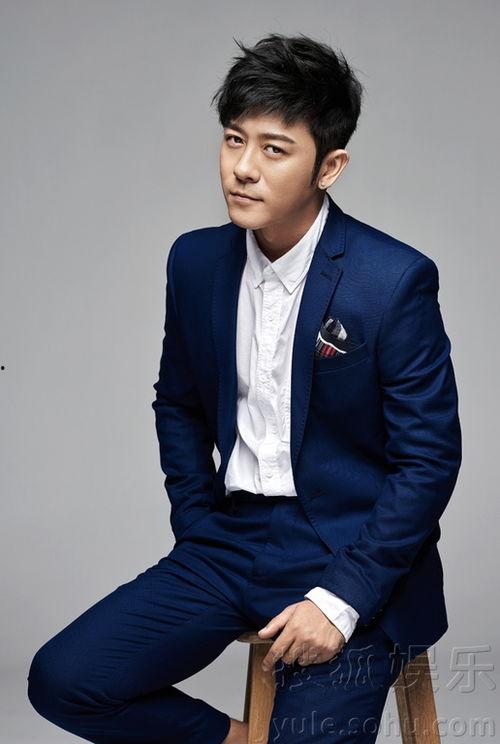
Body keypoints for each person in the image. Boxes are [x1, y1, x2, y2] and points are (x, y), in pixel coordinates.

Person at [27, 33, 462, 743]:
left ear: (329, 167)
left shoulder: (392, 280)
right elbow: (178, 404)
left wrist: (342, 599)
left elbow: (429, 459)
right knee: (64, 680)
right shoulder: (195, 261)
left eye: (274, 149)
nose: (243, 168)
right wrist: (198, 523)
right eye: (234, 140)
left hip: (352, 551)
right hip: (228, 541)